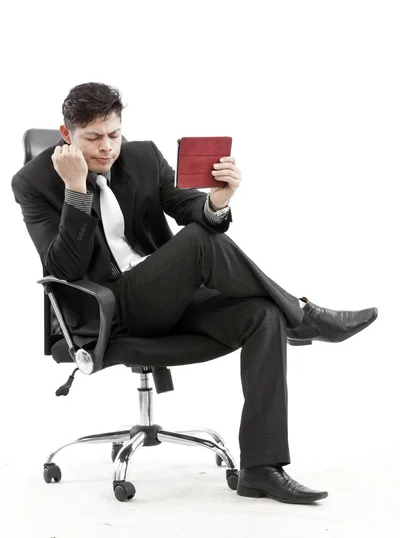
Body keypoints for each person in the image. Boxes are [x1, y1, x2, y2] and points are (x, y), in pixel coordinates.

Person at [11, 82, 378, 505]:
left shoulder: (144, 157)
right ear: (66, 134)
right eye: (93, 138)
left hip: (168, 295)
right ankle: (304, 315)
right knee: (200, 242)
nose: (107, 148)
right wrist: (75, 190)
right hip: (108, 309)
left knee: (263, 315)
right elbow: (63, 269)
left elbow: (190, 209)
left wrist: (217, 202)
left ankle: (261, 470)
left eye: (114, 134)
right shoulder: (33, 183)